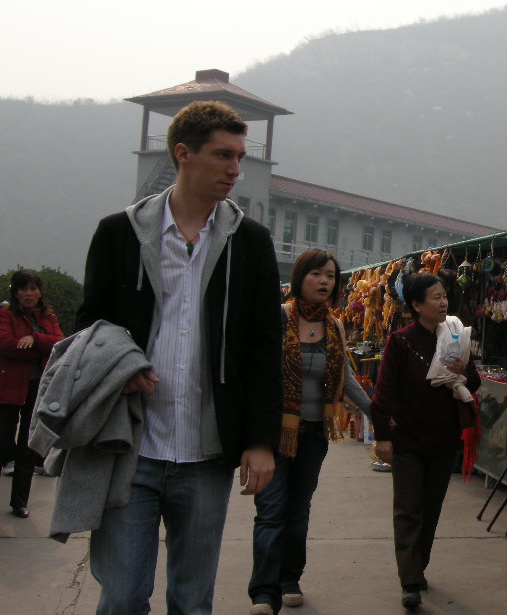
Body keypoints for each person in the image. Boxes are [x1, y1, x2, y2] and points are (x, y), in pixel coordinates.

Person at [75, 100, 283, 615]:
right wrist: (119, 367)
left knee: (192, 601)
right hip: (130, 445)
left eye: (239, 156)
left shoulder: (250, 243)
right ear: (183, 154)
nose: (236, 169)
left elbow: (262, 350)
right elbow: (89, 328)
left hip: (206, 453)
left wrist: (260, 440)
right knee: (122, 595)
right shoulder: (118, 234)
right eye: (222, 155)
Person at [249, 248, 372, 615]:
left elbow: (346, 378)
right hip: (275, 434)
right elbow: (257, 374)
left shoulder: (334, 326)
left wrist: (376, 411)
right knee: (270, 511)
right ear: (300, 277)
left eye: (331, 276)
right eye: (317, 274)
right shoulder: (278, 318)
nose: (324, 281)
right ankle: (263, 593)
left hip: (314, 435)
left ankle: (290, 578)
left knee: (298, 512)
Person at [371, 272, 480, 610]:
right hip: (407, 439)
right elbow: (384, 392)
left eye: (444, 295)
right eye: (435, 297)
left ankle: (418, 567)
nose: (443, 302)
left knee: (431, 510)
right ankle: (410, 581)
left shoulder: (456, 334)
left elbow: (472, 384)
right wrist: (383, 437)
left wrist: (464, 369)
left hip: (443, 439)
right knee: (408, 511)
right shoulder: (401, 341)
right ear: (417, 305)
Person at [0, 269, 64, 517]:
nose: (29, 294)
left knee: (28, 445)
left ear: (40, 292)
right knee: (4, 438)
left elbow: (59, 343)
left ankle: (19, 502)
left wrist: (34, 339)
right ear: (15, 292)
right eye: (24, 289)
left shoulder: (48, 317)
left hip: (38, 388)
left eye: (33, 288)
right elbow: (6, 345)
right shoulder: (5, 315)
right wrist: (36, 347)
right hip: (9, 386)